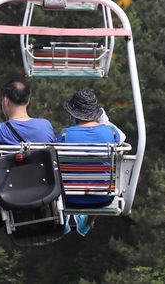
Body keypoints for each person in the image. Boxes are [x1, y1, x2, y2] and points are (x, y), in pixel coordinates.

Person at [57, 89, 125, 236]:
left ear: (73, 114)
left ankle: (64, 221)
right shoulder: (111, 133)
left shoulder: (64, 135)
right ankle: (86, 225)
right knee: (99, 177)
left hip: (70, 198)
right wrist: (104, 121)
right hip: (103, 197)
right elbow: (123, 136)